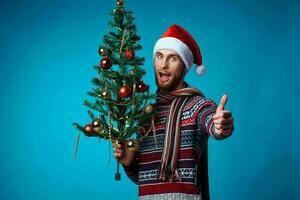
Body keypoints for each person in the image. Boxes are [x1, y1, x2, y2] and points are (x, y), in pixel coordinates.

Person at [113, 24, 234, 200]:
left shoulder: (197, 106)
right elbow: (146, 180)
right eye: (159, 56)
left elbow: (212, 121)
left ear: (185, 67)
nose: (164, 64)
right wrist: (130, 163)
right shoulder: (146, 115)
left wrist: (221, 126)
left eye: (173, 58)